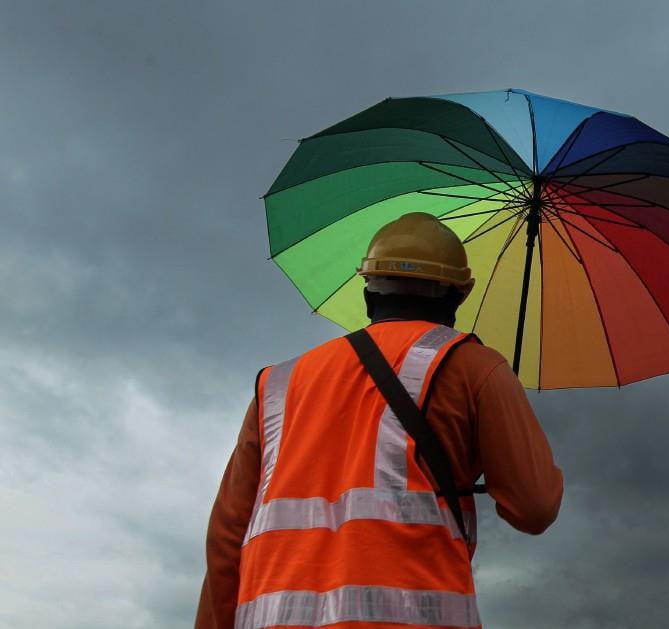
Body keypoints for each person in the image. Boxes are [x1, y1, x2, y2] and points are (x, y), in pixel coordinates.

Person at [194, 212, 564, 629]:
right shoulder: (475, 368)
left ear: (368, 288)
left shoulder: (278, 383)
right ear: (459, 294)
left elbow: (226, 538)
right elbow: (533, 507)